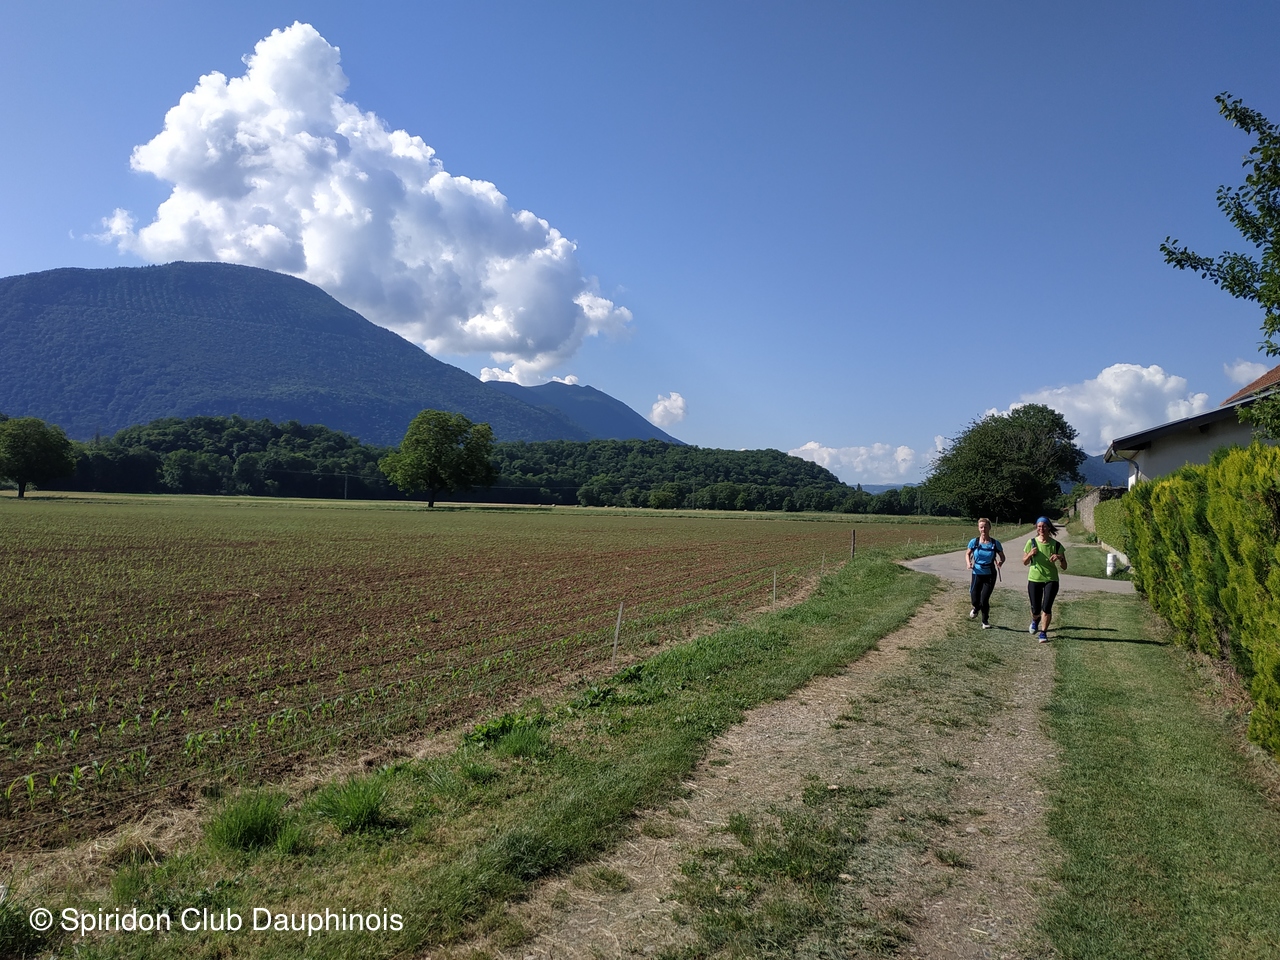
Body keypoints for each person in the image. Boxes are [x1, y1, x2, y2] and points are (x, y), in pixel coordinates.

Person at [1023, 516, 1067, 642]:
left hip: (1051, 579)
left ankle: (1043, 632)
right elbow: (1024, 562)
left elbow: (1064, 567)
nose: (1041, 529)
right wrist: (1030, 554)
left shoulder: (1056, 545)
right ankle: (1035, 619)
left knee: (1046, 608)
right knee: (1035, 609)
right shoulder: (1031, 543)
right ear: (1037, 528)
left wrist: (1060, 558)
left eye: (1044, 526)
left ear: (1049, 528)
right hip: (1034, 578)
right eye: (1039, 526)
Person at [965, 518, 1004, 628]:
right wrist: (968, 563)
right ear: (978, 528)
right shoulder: (974, 542)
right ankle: (976, 607)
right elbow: (967, 554)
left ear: (989, 528)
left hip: (990, 574)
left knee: (984, 599)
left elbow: (1002, 557)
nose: (983, 529)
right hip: (977, 573)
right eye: (981, 527)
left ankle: (985, 621)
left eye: (985, 527)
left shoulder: (995, 543)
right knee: (974, 598)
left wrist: (1000, 562)